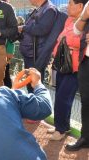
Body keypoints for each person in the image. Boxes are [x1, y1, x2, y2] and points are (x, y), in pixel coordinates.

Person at [48, 0, 88, 141]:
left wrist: (67, 39)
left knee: (63, 98)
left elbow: (77, 42)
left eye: (71, 3)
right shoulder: (69, 19)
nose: (68, 6)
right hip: (61, 63)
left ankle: (60, 129)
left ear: (81, 7)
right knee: (59, 93)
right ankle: (63, 125)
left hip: (74, 67)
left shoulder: (85, 23)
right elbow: (63, 38)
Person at [18, 0, 63, 93]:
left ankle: (36, 106)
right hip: (30, 53)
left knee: (34, 84)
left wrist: (24, 28)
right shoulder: (41, 8)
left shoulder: (49, 10)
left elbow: (42, 29)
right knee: (29, 84)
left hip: (36, 55)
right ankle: (31, 104)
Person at [65, 1, 89, 151]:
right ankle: (85, 138)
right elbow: (77, 29)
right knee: (86, 102)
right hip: (86, 60)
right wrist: (85, 16)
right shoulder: (87, 6)